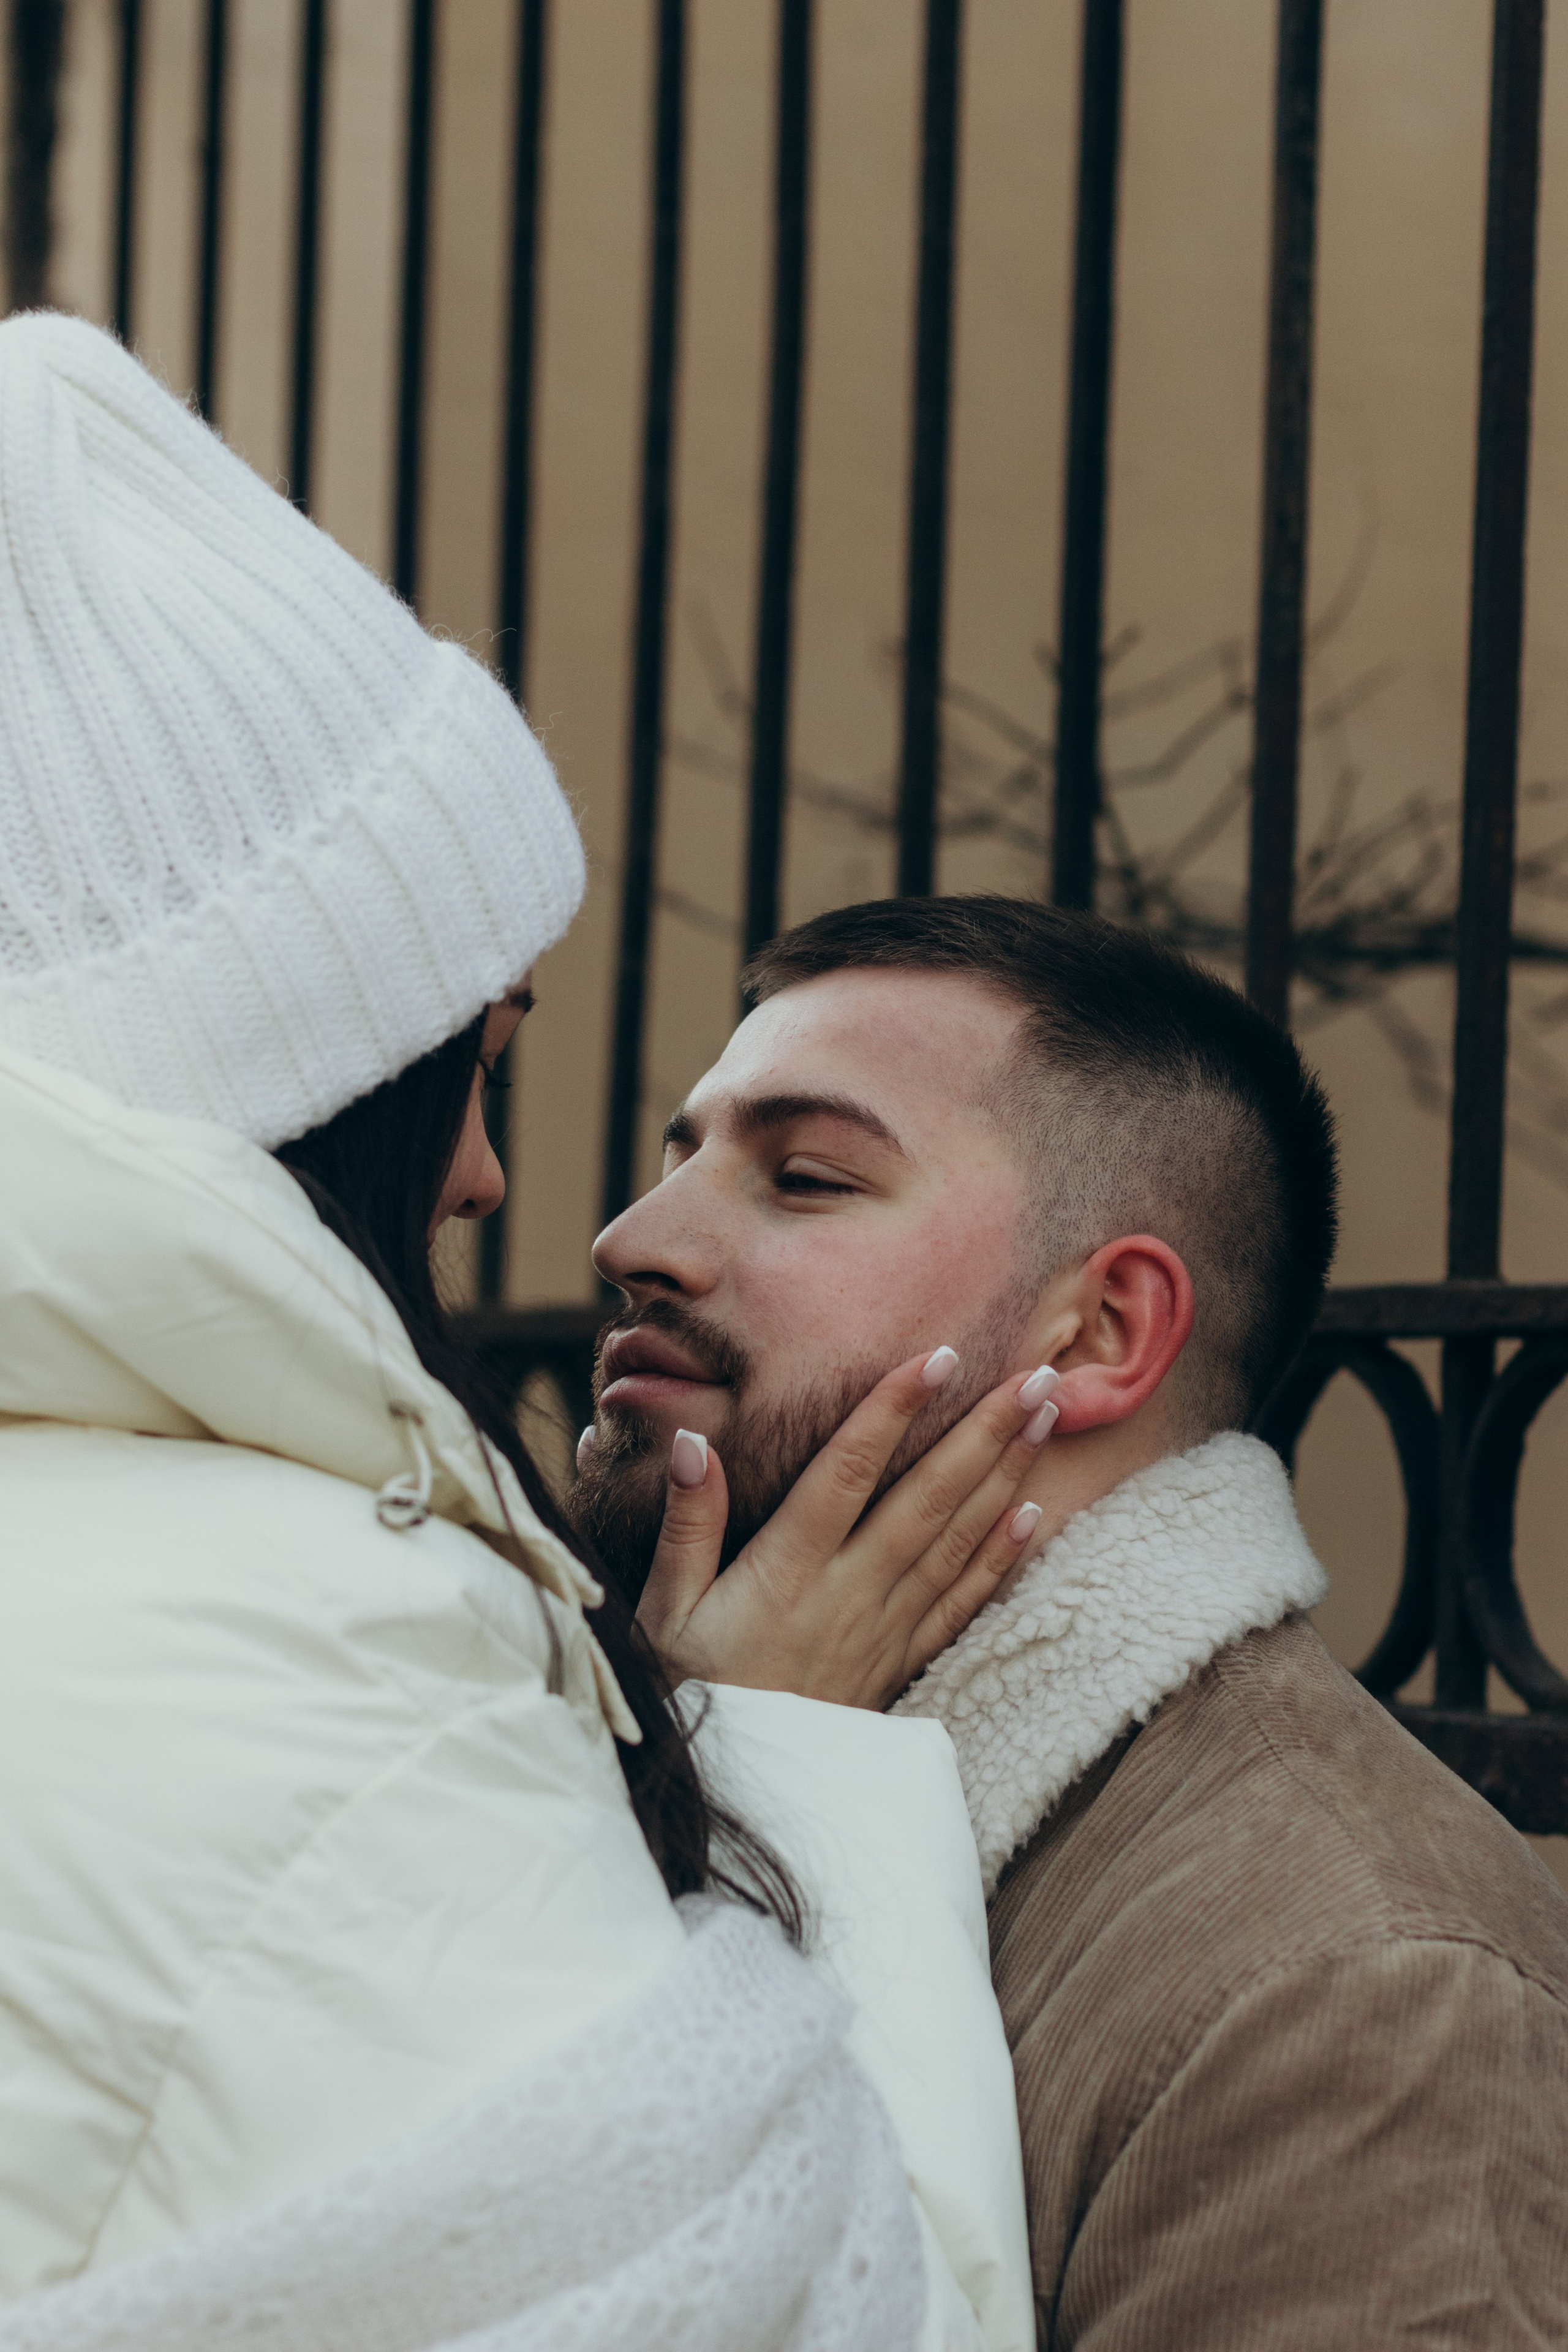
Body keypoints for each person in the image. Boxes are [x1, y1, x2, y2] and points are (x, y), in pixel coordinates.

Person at [0, 315, 1037, 2352]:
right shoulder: (320, 1655)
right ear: (306, 1083)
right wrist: (801, 1763)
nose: (512, 1194)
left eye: (808, 1174)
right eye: (467, 1080)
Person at [574, 892, 1568, 2348]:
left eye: (803, 1177)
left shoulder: (1359, 1989)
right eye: (678, 1157)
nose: (631, 1240)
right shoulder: (643, 1751)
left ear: (1101, 1334)